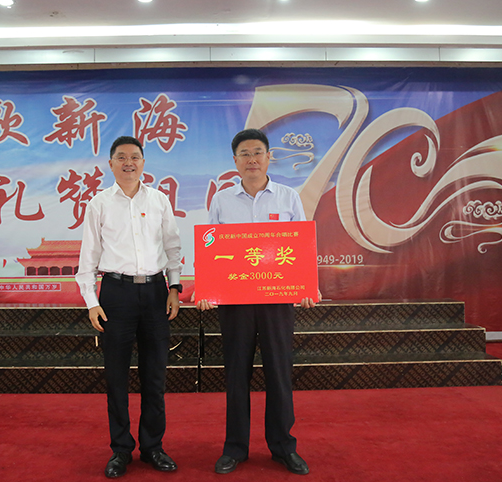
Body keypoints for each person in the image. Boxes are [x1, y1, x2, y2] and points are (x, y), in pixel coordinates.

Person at [197, 128, 320, 476]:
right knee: (236, 373)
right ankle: (235, 448)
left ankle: (283, 447)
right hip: (234, 302)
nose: (252, 159)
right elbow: (211, 248)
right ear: (235, 161)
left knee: (279, 373)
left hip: (276, 301)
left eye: (257, 153)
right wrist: (206, 289)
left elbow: (300, 246)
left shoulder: (287, 197)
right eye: (245, 154)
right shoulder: (222, 200)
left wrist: (307, 286)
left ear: (269, 157)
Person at [76, 136, 183, 479]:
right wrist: (92, 302)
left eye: (135, 157)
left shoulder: (159, 200)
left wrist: (174, 288)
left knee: (155, 376)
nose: (128, 163)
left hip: (155, 293)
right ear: (111, 164)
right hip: (115, 295)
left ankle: (153, 447)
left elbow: (173, 247)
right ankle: (121, 449)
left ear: (143, 162)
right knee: (116, 377)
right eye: (121, 157)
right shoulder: (99, 203)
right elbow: (88, 257)